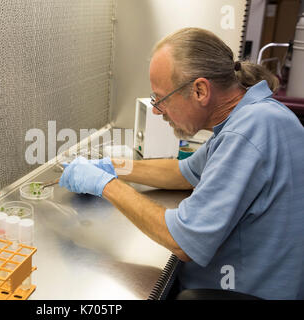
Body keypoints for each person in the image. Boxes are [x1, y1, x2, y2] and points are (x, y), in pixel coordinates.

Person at [59, 28, 304, 300]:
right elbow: (184, 173)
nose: (155, 109)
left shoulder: (247, 132)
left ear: (200, 90)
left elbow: (183, 240)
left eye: (161, 98)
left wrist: (105, 185)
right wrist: (113, 166)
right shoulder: (255, 115)